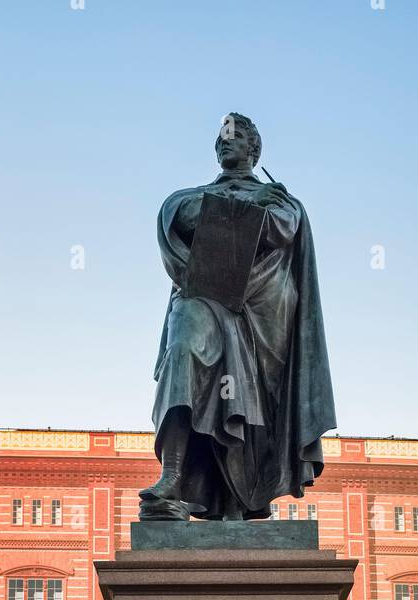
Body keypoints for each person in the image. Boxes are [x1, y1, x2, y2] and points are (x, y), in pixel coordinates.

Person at [140, 113, 336, 521]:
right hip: (204, 296)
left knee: (252, 395)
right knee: (183, 349)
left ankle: (243, 492)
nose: (226, 142)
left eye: (237, 136)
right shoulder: (189, 196)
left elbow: (281, 228)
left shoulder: (281, 200)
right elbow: (179, 218)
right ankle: (172, 475)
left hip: (263, 312)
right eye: (222, 137)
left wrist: (247, 211)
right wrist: (242, 209)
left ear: (254, 149)